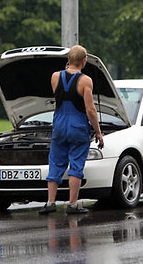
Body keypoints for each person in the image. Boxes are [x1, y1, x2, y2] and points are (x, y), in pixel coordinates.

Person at [39, 45, 104, 214]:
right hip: (78, 126)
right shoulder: (86, 81)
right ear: (84, 61)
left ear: (68, 60)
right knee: (76, 165)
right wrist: (98, 132)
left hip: (60, 125)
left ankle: (50, 202)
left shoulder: (55, 77)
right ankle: (72, 204)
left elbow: (61, 91)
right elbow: (90, 110)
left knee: (55, 163)